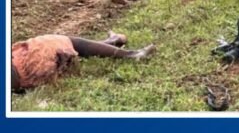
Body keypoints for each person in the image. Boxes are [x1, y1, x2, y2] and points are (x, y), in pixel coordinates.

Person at [11, 31, 155, 92]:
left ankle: (110, 42)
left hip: (24, 76)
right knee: (54, 41)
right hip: (28, 68)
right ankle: (130, 54)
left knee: (63, 44)